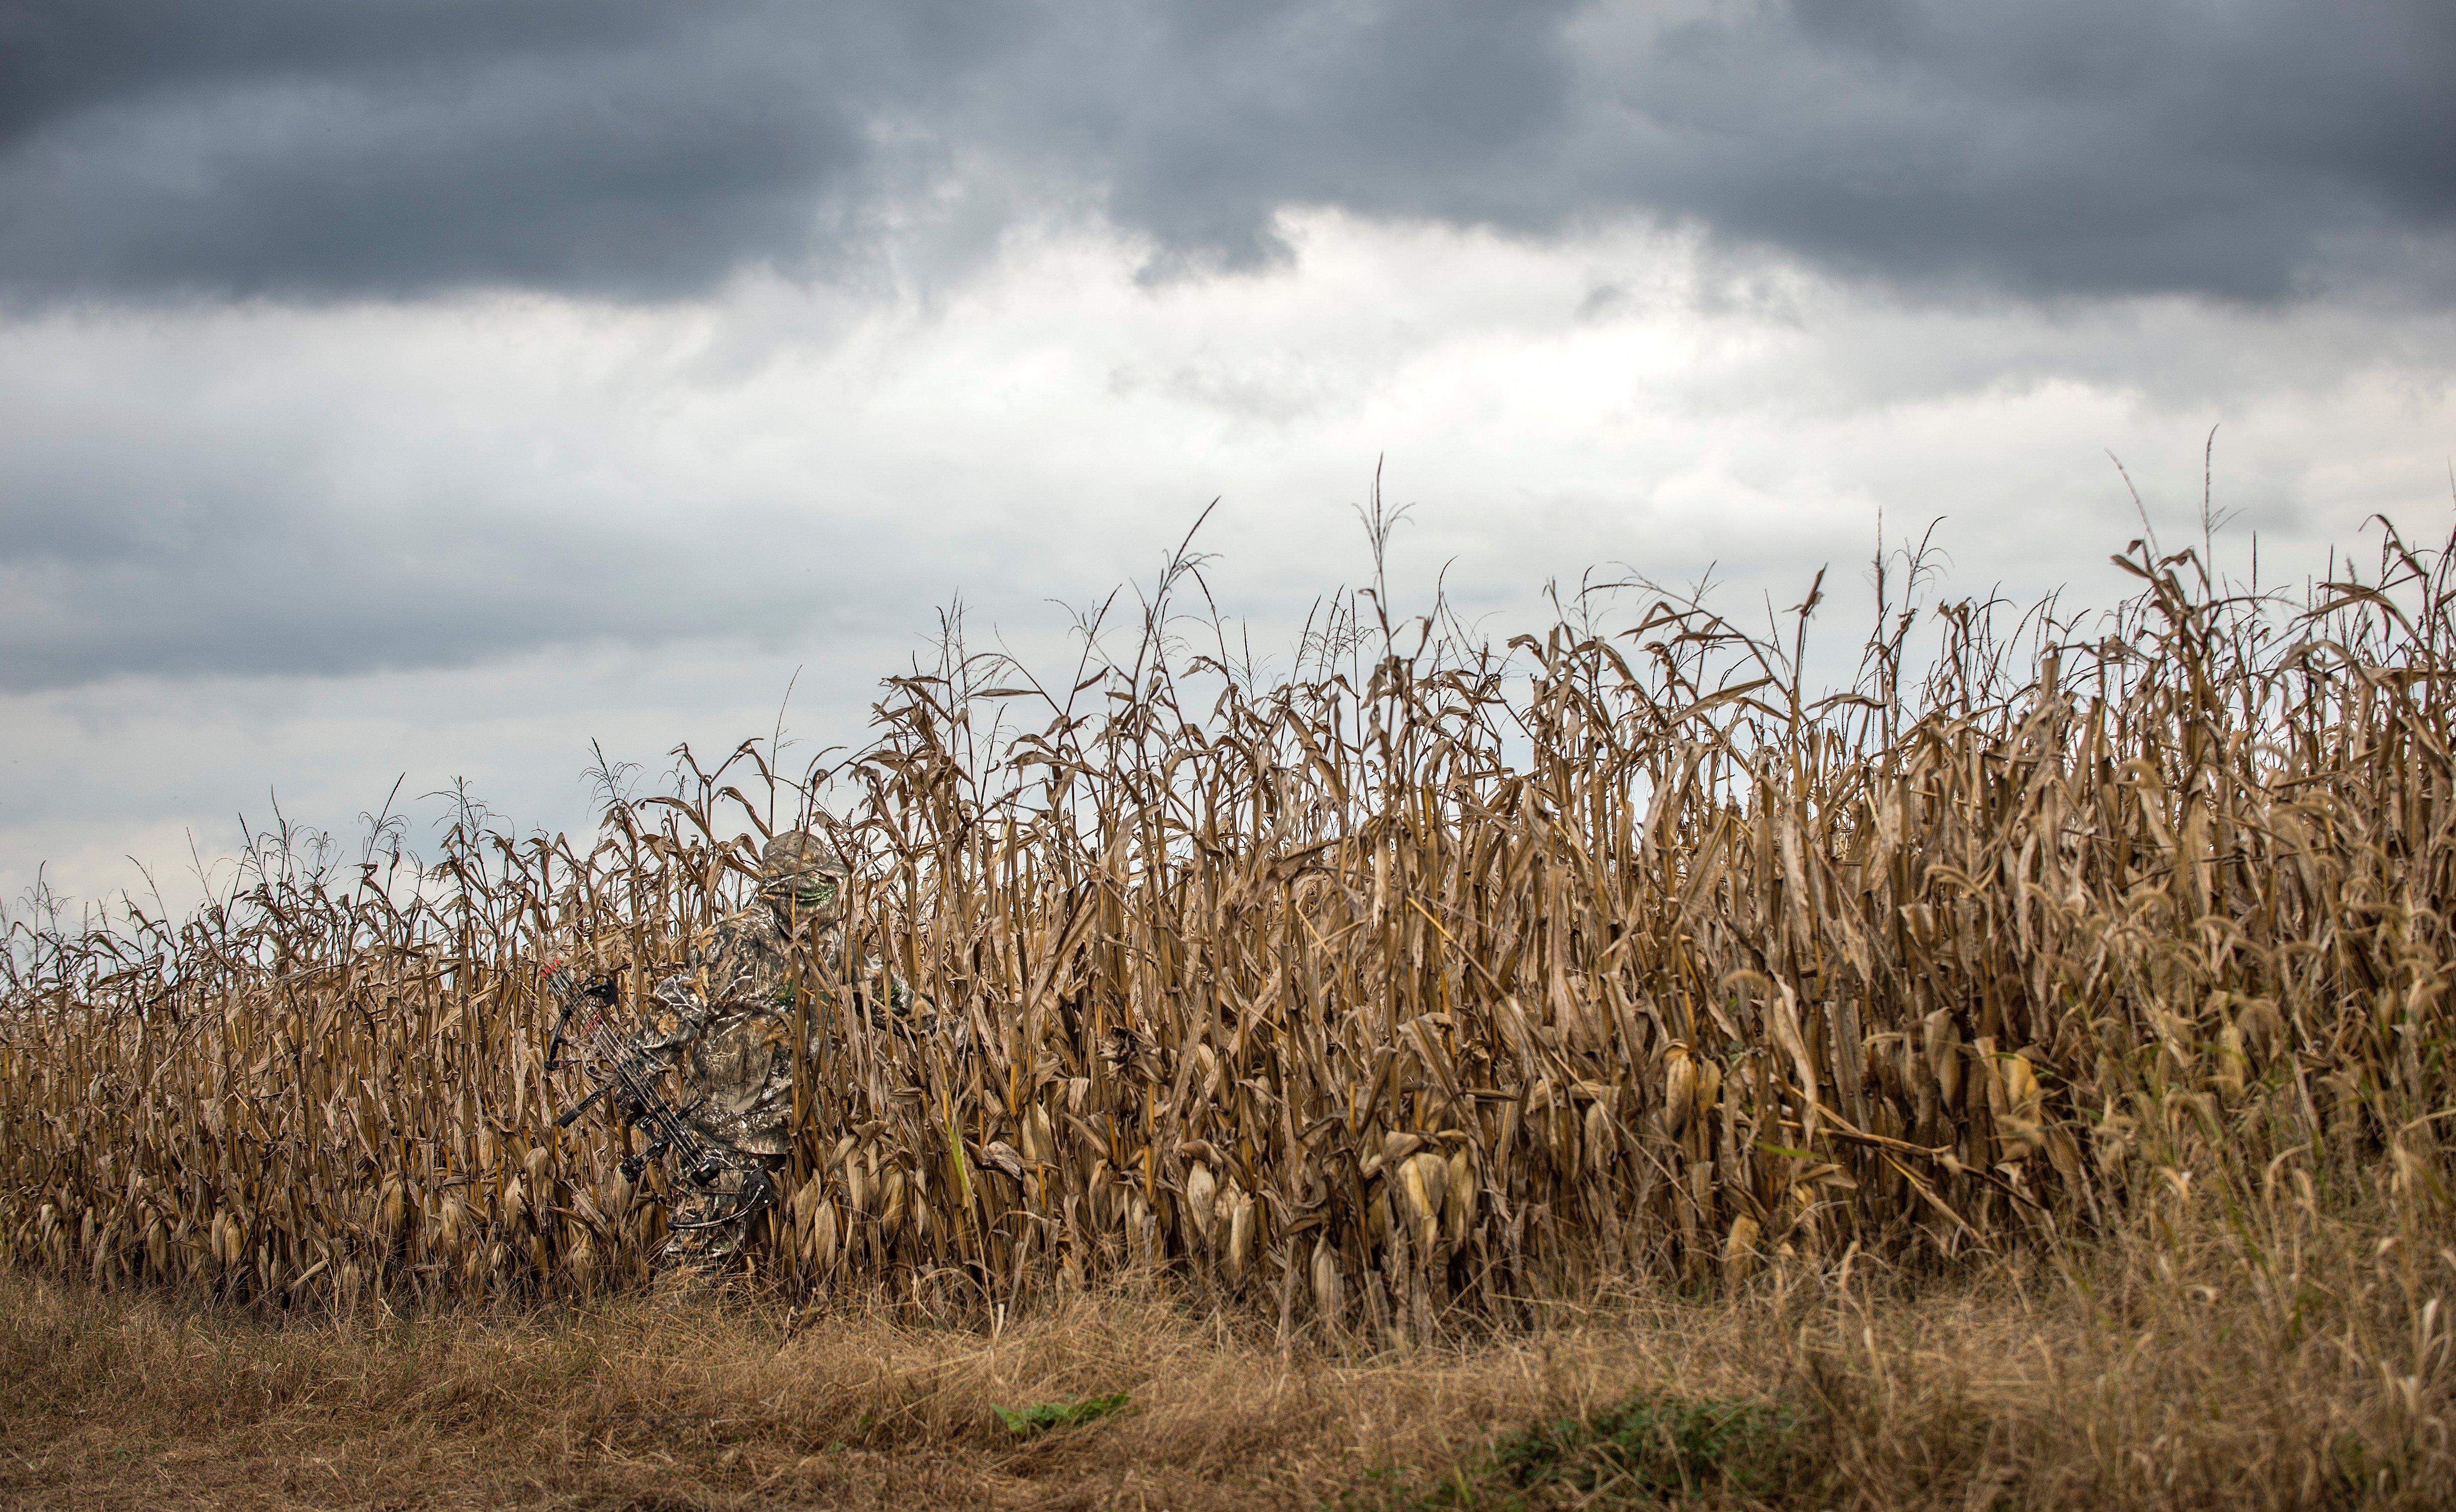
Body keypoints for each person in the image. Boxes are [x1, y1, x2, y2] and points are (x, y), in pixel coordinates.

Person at [625, 829, 854, 1279]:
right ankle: (667, 1341)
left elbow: (887, 996)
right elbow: (678, 1010)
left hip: (801, 1133)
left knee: (797, 1254)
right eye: (816, 884)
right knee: (699, 1257)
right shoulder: (734, 940)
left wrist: (953, 1033)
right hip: (726, 1134)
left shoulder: (829, 946)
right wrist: (640, 1070)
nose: (827, 896)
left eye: (830, 883)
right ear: (785, 888)